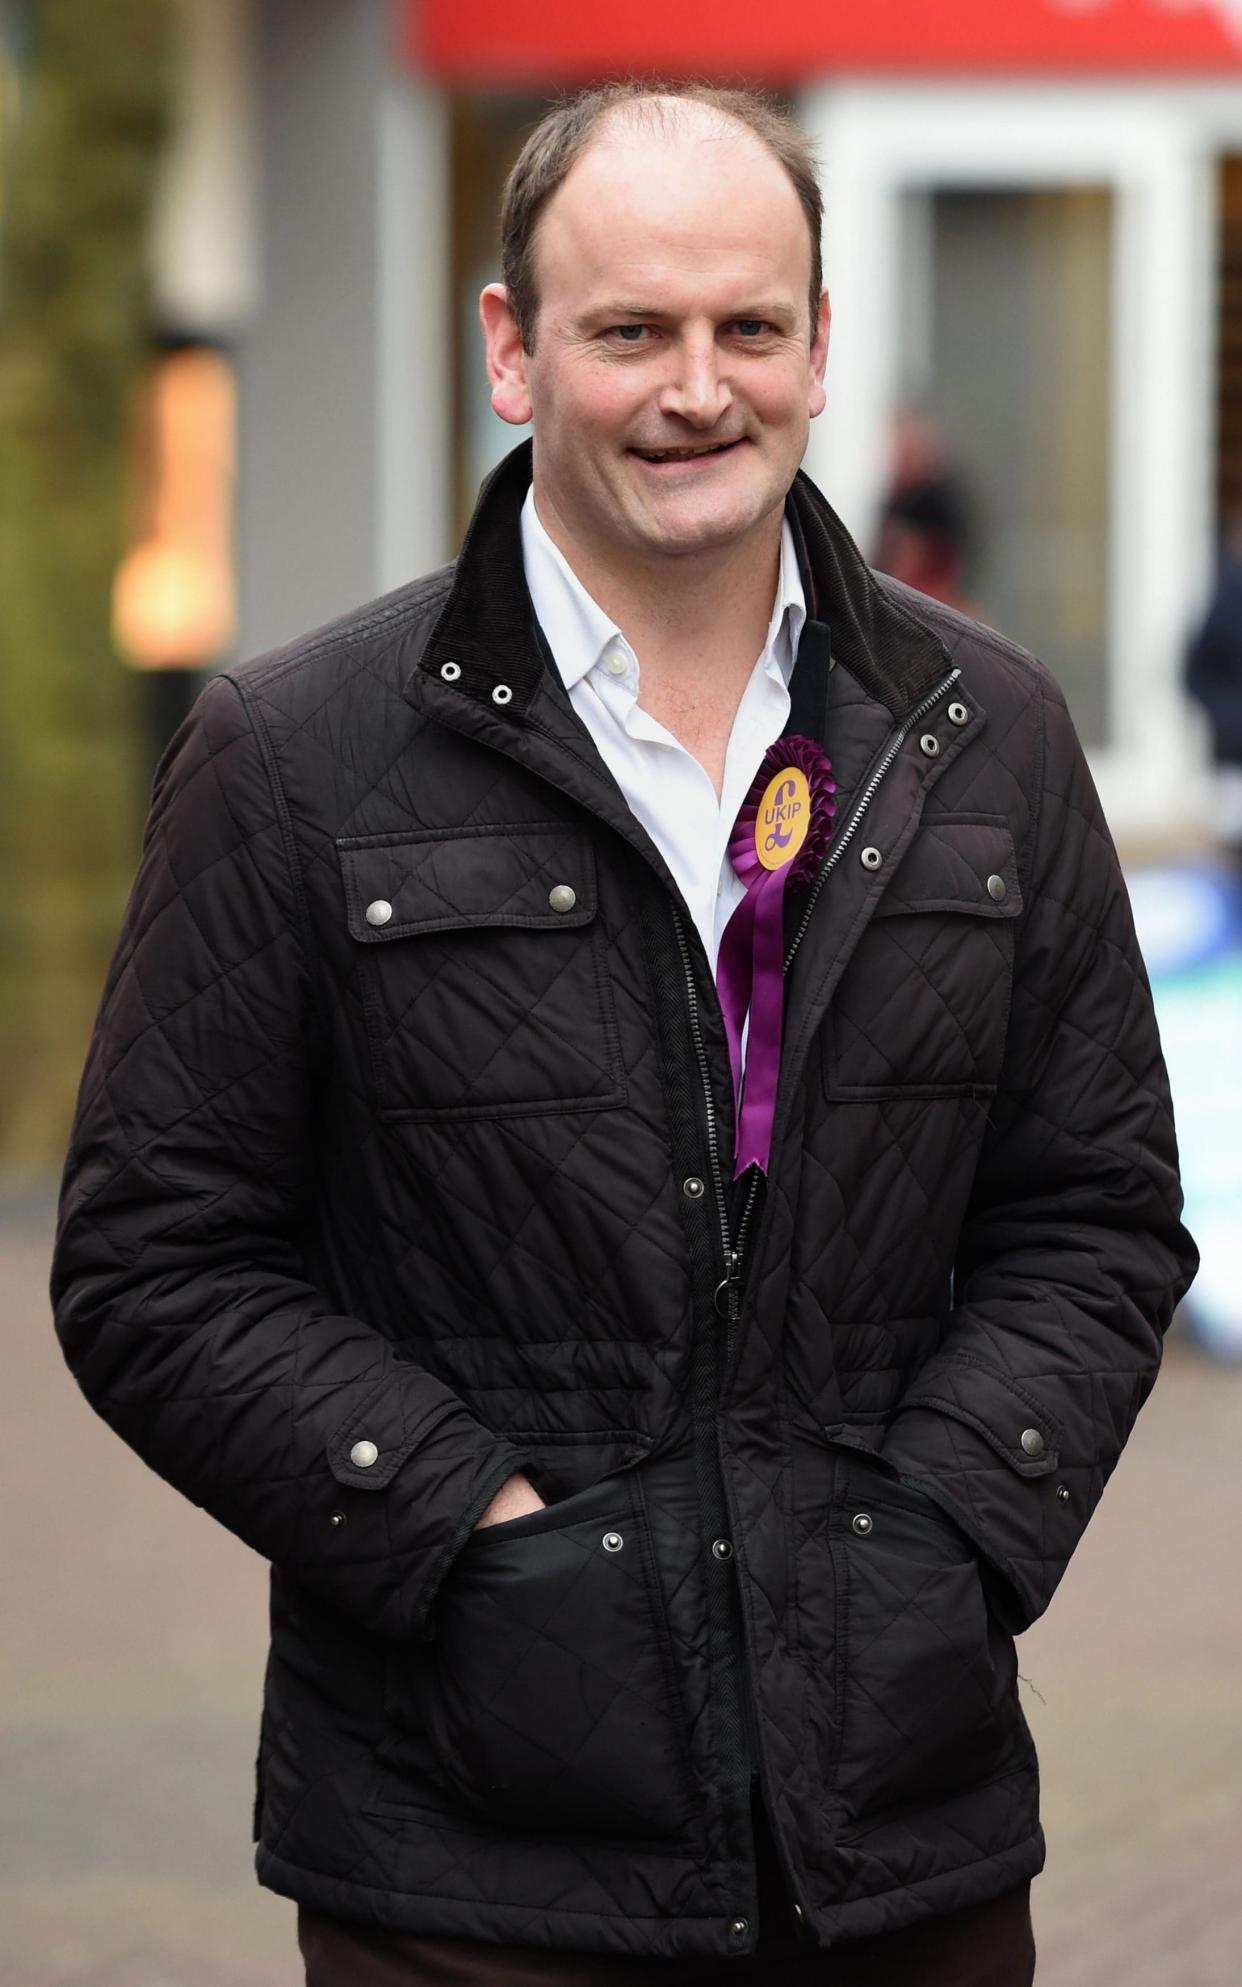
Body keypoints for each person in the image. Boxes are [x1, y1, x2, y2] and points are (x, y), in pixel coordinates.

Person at [51, 83, 1195, 1987]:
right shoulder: (296, 759)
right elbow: (154, 1266)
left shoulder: (986, 735)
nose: (697, 389)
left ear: (819, 347)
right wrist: (474, 1534)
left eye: (750, 328)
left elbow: (1095, 1211)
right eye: (629, 331)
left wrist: (937, 1539)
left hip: (898, 1836)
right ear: (512, 351)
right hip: (470, 1851)